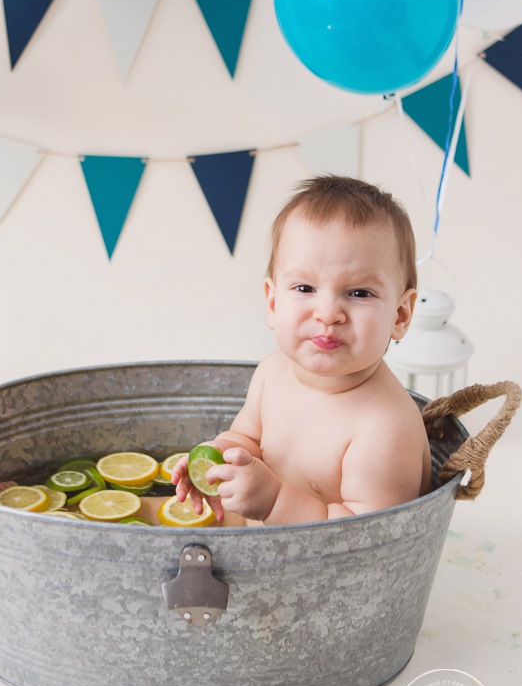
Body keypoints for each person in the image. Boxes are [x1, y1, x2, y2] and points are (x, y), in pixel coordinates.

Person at [172, 175, 431, 524]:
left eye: (359, 293)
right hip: (260, 544)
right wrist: (219, 459)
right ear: (273, 302)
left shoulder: (384, 427)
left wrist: (274, 501)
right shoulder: (272, 372)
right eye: (305, 287)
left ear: (400, 315)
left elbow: (366, 539)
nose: (327, 314)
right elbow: (247, 438)